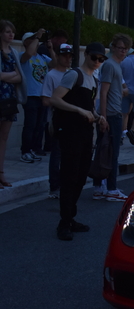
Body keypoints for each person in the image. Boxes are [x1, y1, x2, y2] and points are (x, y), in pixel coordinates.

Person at [50, 42, 107, 240]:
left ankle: (70, 218)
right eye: (95, 58)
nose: (98, 62)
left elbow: (89, 106)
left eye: (101, 59)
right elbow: (55, 99)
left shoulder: (94, 80)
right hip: (70, 131)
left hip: (85, 132)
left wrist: (99, 117)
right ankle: (64, 222)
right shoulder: (75, 75)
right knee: (69, 176)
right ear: (86, 55)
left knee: (82, 177)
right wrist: (78, 110)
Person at [92, 33, 132, 202]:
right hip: (111, 114)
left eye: (125, 49)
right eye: (120, 48)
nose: (123, 51)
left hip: (113, 112)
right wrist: (103, 117)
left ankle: (100, 187)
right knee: (111, 153)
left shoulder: (115, 65)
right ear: (113, 47)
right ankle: (111, 188)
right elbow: (103, 91)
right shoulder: (110, 65)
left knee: (104, 151)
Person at [41, 43, 73, 199]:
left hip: (71, 119)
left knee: (69, 154)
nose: (68, 59)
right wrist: (61, 102)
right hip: (57, 119)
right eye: (64, 55)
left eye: (70, 56)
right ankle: (54, 187)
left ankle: (65, 185)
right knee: (57, 153)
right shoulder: (51, 75)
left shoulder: (72, 74)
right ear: (58, 56)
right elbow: (46, 100)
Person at [20, 29, 57, 162]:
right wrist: (38, 36)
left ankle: (34, 149)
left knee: (39, 125)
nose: (36, 41)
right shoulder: (23, 56)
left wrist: (50, 48)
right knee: (30, 124)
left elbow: (55, 64)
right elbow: (29, 52)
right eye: (32, 39)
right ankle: (25, 150)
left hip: (42, 95)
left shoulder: (42, 57)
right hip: (30, 95)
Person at [0, 19, 26, 188]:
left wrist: (5, 75)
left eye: (12, 32)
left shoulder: (14, 53)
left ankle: (1, 173)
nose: (11, 35)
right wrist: (9, 76)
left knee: (4, 138)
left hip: (9, 98)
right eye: (8, 32)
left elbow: (20, 77)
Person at [120, 41, 134, 146]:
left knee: (124, 114)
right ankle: (132, 130)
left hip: (125, 90)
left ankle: (122, 134)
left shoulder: (123, 62)